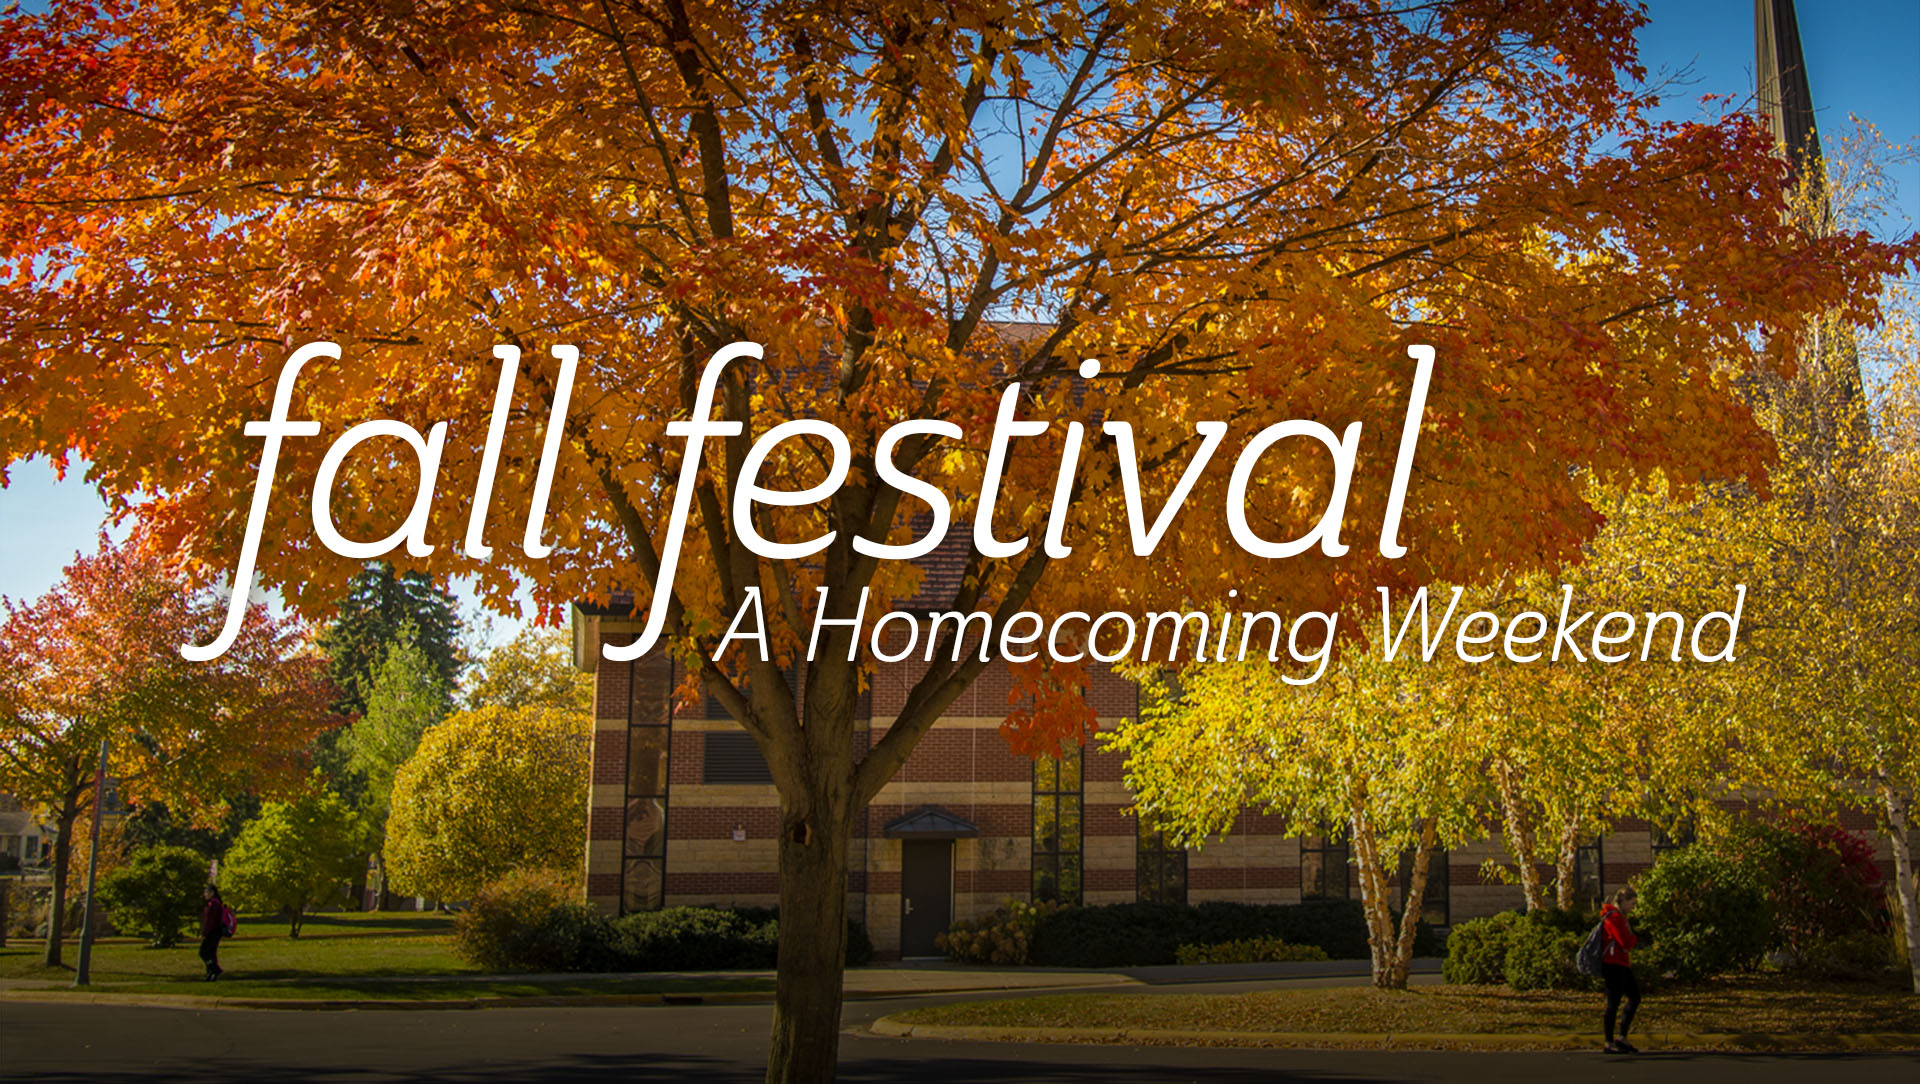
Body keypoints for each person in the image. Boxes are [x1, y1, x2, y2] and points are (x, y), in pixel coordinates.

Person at [1599, 887, 1641, 1053]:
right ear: (1622, 902)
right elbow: (1625, 943)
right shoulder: (1614, 917)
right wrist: (1633, 939)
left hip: (1622, 964)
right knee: (1613, 1003)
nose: (1633, 907)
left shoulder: (1621, 917)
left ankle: (1621, 1036)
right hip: (1613, 964)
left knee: (1635, 997)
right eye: (1632, 903)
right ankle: (1609, 1041)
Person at [199, 884, 226, 981]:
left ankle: (215, 969)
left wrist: (205, 932)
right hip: (215, 931)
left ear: (212, 893)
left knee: (203, 952)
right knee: (211, 953)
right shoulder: (214, 903)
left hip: (213, 931)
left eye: (206, 892)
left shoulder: (214, 903)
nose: (204, 894)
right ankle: (211, 975)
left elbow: (210, 919)